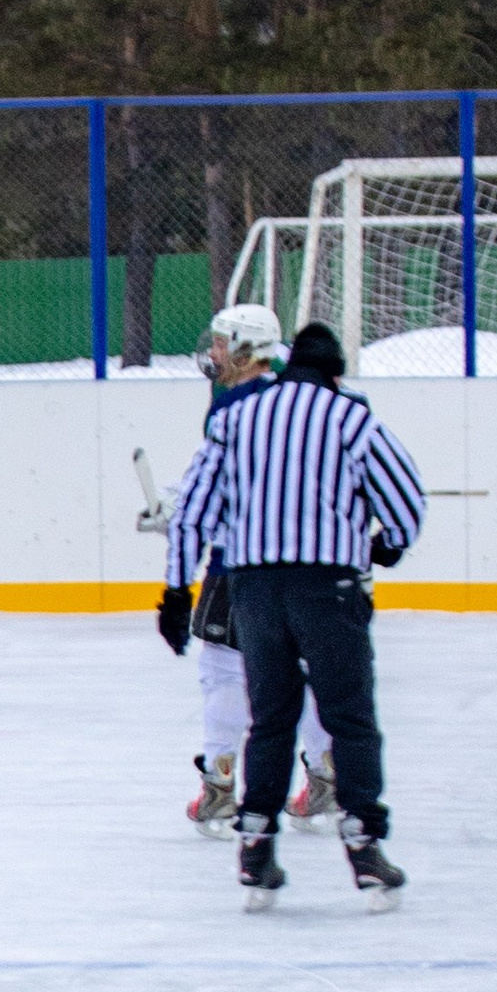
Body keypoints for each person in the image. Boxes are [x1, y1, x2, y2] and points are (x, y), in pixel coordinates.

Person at [162, 317, 424, 905]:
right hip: (328, 589)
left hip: (254, 590)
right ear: (332, 371)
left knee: (271, 720)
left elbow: (192, 513)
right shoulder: (350, 416)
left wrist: (175, 593)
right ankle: (363, 845)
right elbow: (406, 498)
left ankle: (255, 846)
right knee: (349, 716)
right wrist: (388, 543)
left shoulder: (234, 418)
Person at [165, 303, 333, 831]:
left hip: (243, 564)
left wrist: (180, 508)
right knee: (300, 671)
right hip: (308, 567)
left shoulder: (236, 405)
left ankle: (219, 784)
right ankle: (327, 771)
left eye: (220, 341)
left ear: (243, 347)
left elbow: (220, 487)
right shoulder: (300, 394)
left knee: (221, 669)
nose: (212, 352)